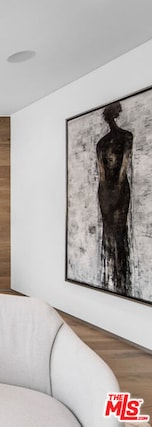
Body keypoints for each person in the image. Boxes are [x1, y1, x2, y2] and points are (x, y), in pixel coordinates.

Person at [96, 101, 132, 294]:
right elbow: (120, 172)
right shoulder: (125, 137)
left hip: (108, 192)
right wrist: (114, 195)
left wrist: (109, 196)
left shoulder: (103, 143)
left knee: (114, 233)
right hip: (113, 191)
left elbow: (105, 176)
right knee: (114, 234)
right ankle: (117, 277)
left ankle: (116, 277)